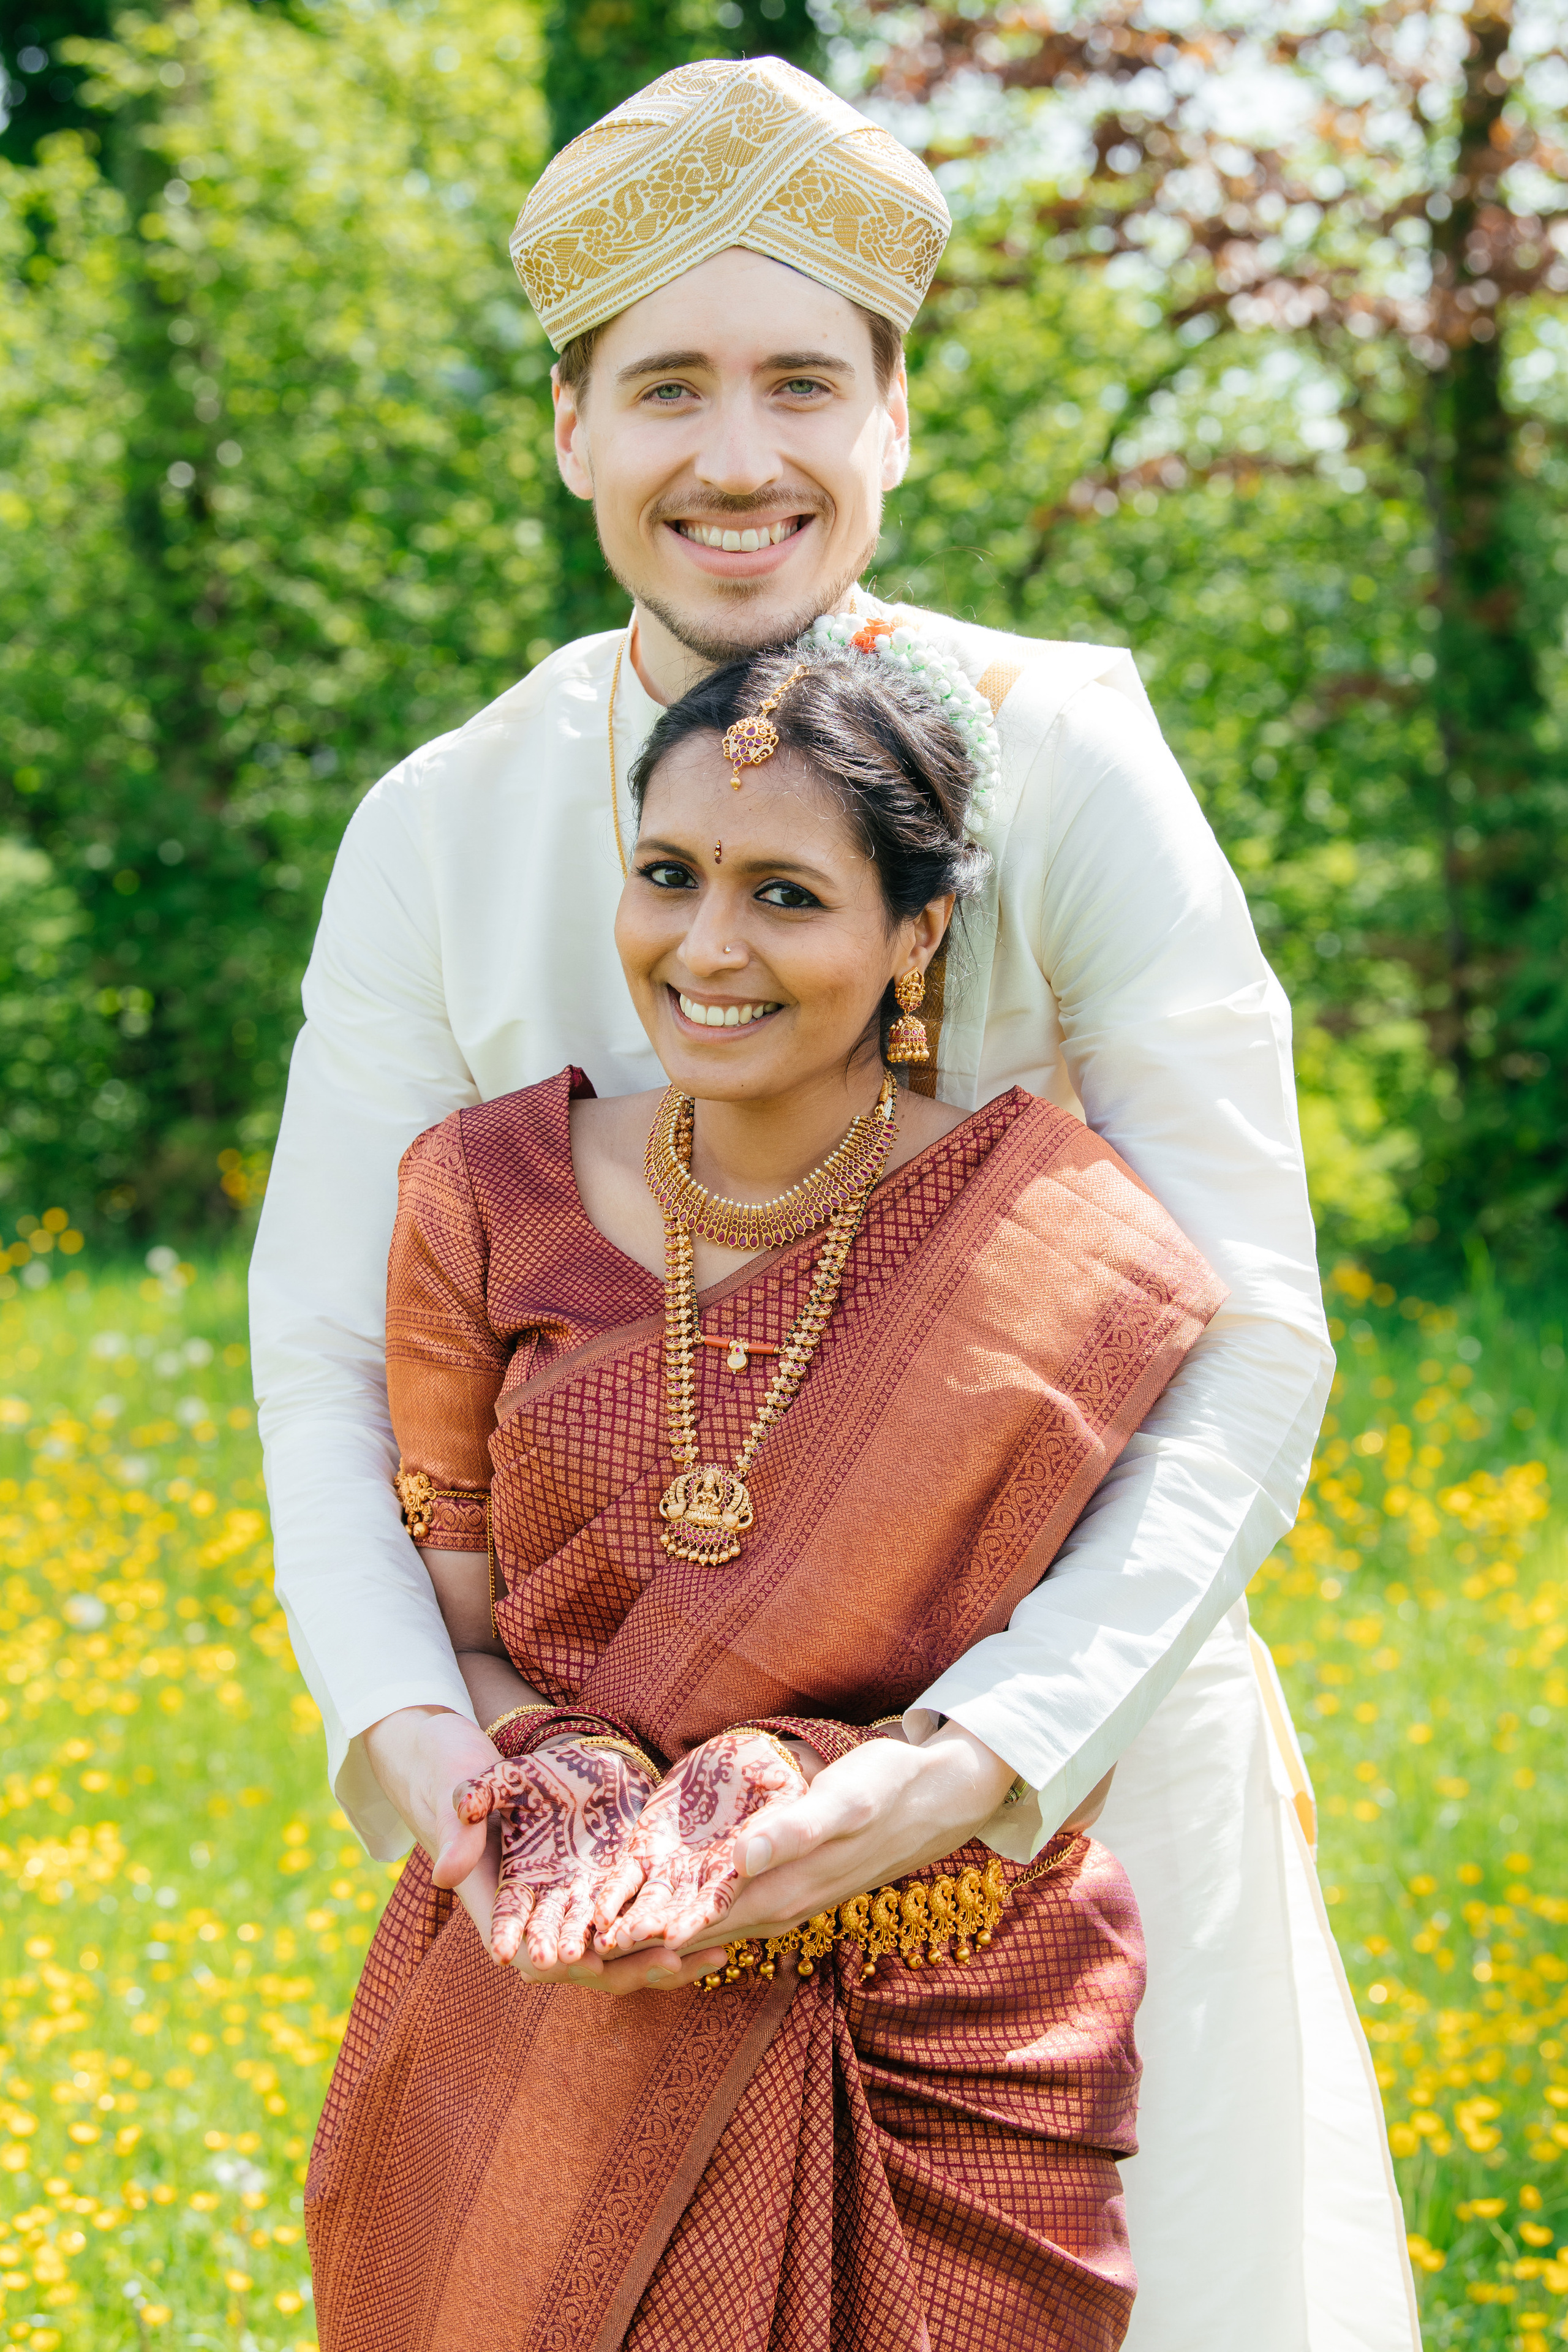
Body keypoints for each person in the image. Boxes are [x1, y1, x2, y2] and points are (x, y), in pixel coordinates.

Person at [252, 54, 1418, 2351]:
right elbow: (324, 1358)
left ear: (894, 416)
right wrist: (443, 1767)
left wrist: (982, 1752)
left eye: (805, 381)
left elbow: (1249, 1327)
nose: (740, 458)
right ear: (571, 426)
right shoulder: (440, 824)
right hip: (598, 1846)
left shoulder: (1066, 754)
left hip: (1061, 1800)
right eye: (667, 386)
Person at [307, 644, 1224, 2348]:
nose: (707, 948)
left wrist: (793, 1799)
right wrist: (571, 1789)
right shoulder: (483, 1195)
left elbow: (1075, 1628)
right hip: (562, 1959)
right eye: (670, 876)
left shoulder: (1049, 1243)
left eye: (787, 894)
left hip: (938, 2003)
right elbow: (459, 1630)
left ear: (916, 934)